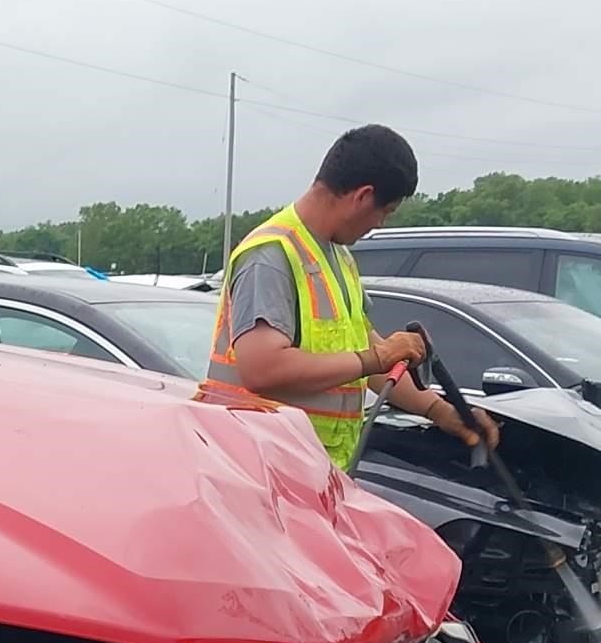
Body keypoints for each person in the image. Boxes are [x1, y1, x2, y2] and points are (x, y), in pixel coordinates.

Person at [206, 124, 497, 469]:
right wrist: (377, 356)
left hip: (309, 473)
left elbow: (369, 358)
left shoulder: (338, 256)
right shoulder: (271, 255)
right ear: (362, 196)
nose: (381, 225)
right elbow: (262, 368)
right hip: (255, 471)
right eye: (385, 212)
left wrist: (439, 410)